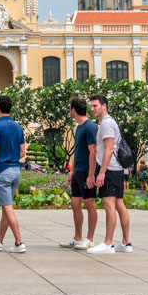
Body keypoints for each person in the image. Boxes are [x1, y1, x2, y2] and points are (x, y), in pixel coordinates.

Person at [87, 95, 132, 254]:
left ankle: (108, 243)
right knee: (119, 204)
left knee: (109, 205)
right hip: (116, 169)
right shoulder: (109, 122)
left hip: (110, 170)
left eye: (95, 106)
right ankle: (126, 243)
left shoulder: (106, 124)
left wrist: (102, 173)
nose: (92, 109)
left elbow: (109, 149)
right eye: (91, 106)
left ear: (104, 106)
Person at [0, 95, 27, 253]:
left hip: (2, 170)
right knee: (6, 207)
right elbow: (23, 152)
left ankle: (19, 242)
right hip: (15, 170)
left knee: (8, 208)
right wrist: (12, 159)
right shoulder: (18, 127)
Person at [60, 97, 98, 250]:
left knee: (90, 204)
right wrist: (73, 170)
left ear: (73, 110)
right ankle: (77, 238)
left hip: (87, 171)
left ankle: (90, 239)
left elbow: (93, 152)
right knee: (75, 204)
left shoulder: (90, 127)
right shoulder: (79, 127)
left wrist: (91, 174)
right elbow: (78, 151)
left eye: (70, 108)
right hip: (78, 170)